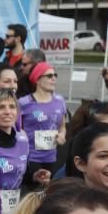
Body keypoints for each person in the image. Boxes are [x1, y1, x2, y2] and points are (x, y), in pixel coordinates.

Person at [18, 62, 67, 191]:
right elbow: (15, 127)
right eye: (49, 75)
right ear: (38, 79)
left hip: (51, 157)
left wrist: (62, 135)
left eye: (55, 75)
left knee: (47, 193)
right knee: (32, 193)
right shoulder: (24, 102)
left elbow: (62, 126)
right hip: (30, 156)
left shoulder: (59, 100)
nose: (54, 78)